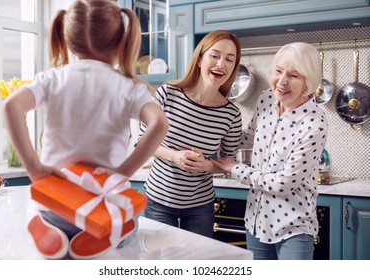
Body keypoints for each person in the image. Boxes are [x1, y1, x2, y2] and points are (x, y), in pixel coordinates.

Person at [3, 0, 168, 259]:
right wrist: (122, 172)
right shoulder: (129, 88)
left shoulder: (53, 78)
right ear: (120, 43)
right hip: (101, 210)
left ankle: (49, 229)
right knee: (131, 221)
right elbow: (160, 124)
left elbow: (11, 106)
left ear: (69, 42)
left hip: (54, 206)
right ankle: (101, 236)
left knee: (57, 217)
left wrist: (34, 167)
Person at [212, 42, 328, 260]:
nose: (282, 82)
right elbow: (247, 137)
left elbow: (282, 183)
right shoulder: (266, 98)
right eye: (278, 71)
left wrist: (234, 169)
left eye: (294, 75)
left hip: (293, 228)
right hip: (256, 221)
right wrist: (209, 137)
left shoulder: (315, 122)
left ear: (308, 81)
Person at [138, 30, 242, 237]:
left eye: (229, 59)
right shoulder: (167, 94)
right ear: (200, 59)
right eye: (215, 55)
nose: (221, 64)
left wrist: (204, 165)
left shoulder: (231, 114)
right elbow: (142, 141)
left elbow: (226, 162)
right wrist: (174, 156)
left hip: (200, 208)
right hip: (158, 200)